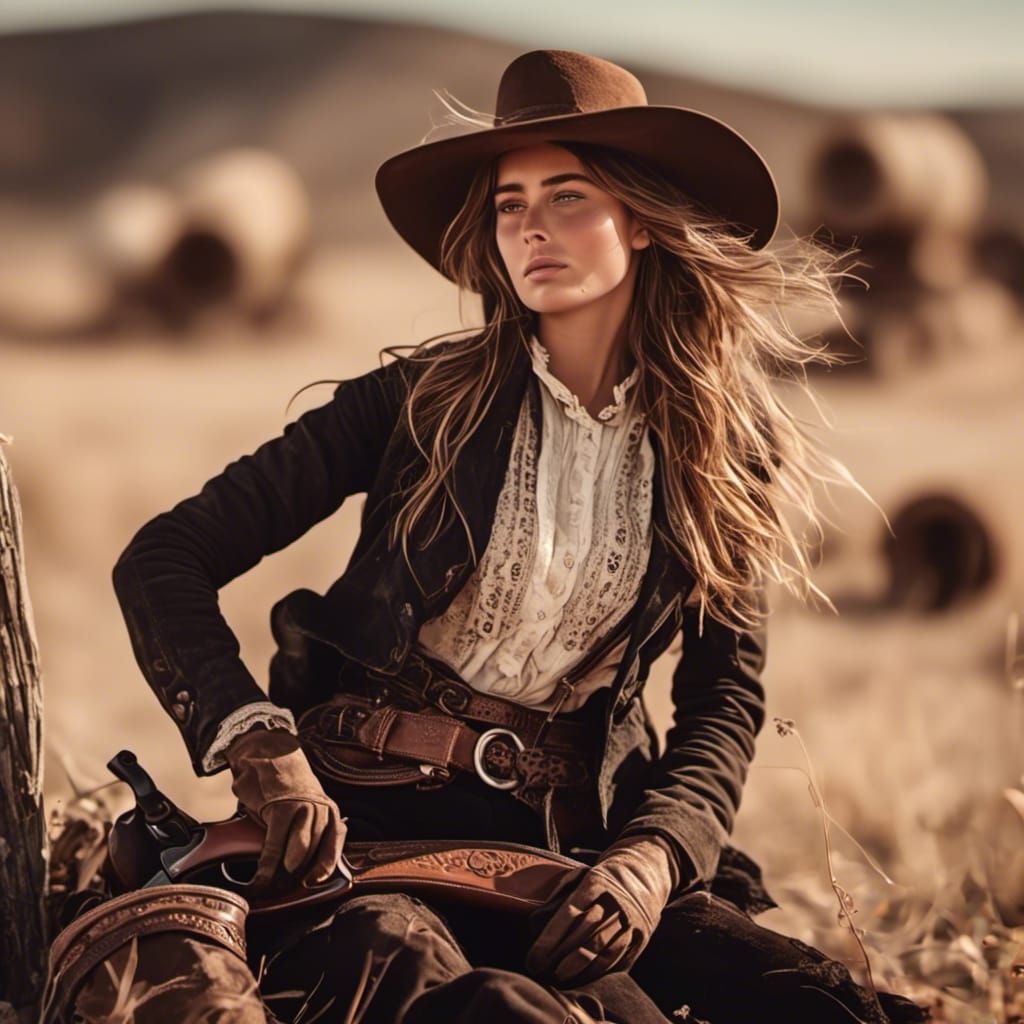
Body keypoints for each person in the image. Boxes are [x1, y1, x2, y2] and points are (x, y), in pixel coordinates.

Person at [111, 49, 928, 1024]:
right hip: (367, 836)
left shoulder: (721, 454)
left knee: (819, 1003)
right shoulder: (413, 401)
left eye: (568, 196)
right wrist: (257, 743)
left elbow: (724, 698)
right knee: (475, 1002)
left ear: (642, 217)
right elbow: (164, 556)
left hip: (576, 851)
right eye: (510, 203)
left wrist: (651, 856)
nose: (531, 227)